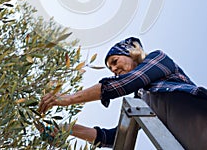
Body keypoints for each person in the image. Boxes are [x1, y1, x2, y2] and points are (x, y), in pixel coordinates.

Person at [38, 37, 207, 149]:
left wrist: (66, 99)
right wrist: (67, 129)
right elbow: (115, 136)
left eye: (115, 61)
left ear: (130, 52)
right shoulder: (142, 100)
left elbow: (125, 83)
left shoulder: (158, 58)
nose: (114, 69)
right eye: (110, 68)